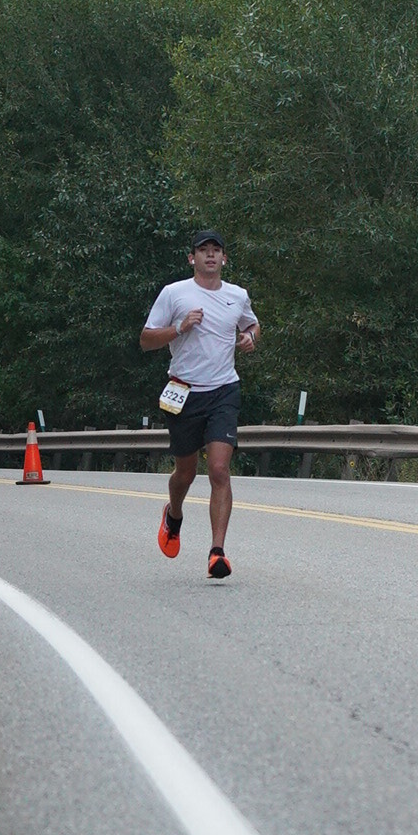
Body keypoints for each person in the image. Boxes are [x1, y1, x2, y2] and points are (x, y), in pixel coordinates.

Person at [140, 232, 259, 580]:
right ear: (191, 258)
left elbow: (252, 324)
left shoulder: (237, 295)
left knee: (219, 470)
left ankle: (217, 552)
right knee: (186, 473)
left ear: (224, 259)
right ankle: (174, 514)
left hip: (224, 390)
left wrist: (250, 336)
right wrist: (179, 327)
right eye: (203, 251)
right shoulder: (174, 293)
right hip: (184, 392)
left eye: (216, 251)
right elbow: (146, 340)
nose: (210, 256)